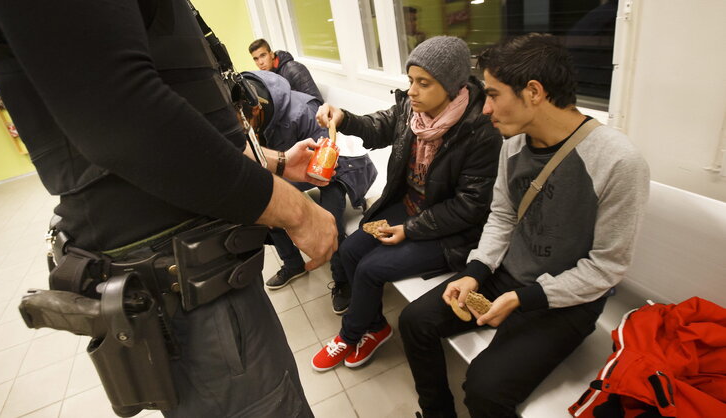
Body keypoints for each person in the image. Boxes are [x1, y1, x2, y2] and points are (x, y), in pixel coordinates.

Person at [0, 0, 338, 416]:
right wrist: (298, 212)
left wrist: (274, 162)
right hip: (185, 277)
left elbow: (186, 105)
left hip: (204, 266)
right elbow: (120, 115)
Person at [398, 33, 650, 417]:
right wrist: (475, 272)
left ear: (534, 91)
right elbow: (502, 216)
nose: (485, 109)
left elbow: (607, 267)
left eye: (494, 95)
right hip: (507, 274)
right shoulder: (513, 144)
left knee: (484, 389)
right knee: (415, 320)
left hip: (567, 300)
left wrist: (524, 299)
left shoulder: (618, 162)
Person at [312, 36, 502, 372]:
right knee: (351, 249)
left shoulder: (480, 131)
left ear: (452, 86)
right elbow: (378, 126)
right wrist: (343, 118)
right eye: (410, 80)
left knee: (371, 269)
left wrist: (409, 230)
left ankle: (350, 334)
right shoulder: (412, 110)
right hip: (410, 207)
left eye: (423, 83)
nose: (412, 90)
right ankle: (375, 328)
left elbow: (470, 207)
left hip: (450, 230)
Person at [241, 70, 377, 314]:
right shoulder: (247, 111)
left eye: (244, 123)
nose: (242, 129)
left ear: (256, 110)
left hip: (338, 165)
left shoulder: (302, 111)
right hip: (298, 166)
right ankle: (292, 264)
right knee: (270, 206)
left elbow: (328, 162)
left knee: (328, 219)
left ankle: (343, 279)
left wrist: (306, 212)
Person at [249, 38, 324, 102]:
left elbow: (316, 102)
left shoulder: (294, 69)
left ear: (271, 54)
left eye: (263, 55)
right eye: (256, 59)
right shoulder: (268, 75)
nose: (260, 62)